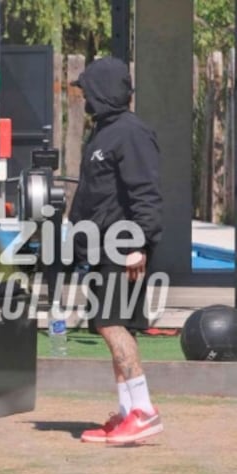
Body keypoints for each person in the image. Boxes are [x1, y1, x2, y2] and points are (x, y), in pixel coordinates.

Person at [68, 57, 164, 444]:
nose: (85, 97)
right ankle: (127, 413)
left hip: (123, 247)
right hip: (103, 247)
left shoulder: (131, 133)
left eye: (89, 90)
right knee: (113, 324)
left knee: (109, 324)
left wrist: (138, 244)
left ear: (104, 90)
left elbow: (146, 193)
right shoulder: (104, 132)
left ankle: (143, 412)